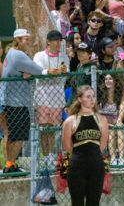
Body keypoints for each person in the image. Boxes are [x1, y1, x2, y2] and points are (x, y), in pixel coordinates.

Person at [1, 29, 62, 173]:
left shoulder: (10, 53)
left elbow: (30, 71)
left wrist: (28, 74)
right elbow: (37, 69)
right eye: (26, 39)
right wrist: (44, 72)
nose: (29, 42)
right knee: (19, 135)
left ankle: (10, 165)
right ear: (18, 40)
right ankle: (10, 165)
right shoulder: (18, 54)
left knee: (12, 134)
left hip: (11, 100)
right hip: (17, 102)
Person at [62, 85, 108, 206]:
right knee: (77, 202)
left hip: (96, 165)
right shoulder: (70, 121)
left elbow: (102, 145)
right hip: (77, 166)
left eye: (93, 96)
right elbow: (67, 146)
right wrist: (80, 157)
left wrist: (92, 157)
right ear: (80, 99)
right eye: (88, 97)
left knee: (94, 202)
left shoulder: (102, 119)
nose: (92, 99)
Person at [33, 30, 68, 168]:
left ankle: (50, 156)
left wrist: (63, 72)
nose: (58, 43)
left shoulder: (64, 56)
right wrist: (48, 72)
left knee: (52, 129)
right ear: (48, 41)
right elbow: (37, 71)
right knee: (43, 128)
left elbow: (64, 77)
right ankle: (45, 155)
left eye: (60, 40)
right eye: (55, 40)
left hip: (57, 96)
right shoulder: (39, 55)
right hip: (42, 96)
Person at [99, 74, 124, 165]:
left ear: (115, 81)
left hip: (115, 119)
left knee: (120, 127)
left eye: (110, 79)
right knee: (111, 131)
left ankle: (121, 158)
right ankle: (113, 158)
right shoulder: (100, 94)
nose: (107, 81)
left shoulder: (120, 94)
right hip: (102, 120)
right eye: (106, 79)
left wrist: (119, 120)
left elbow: (122, 109)